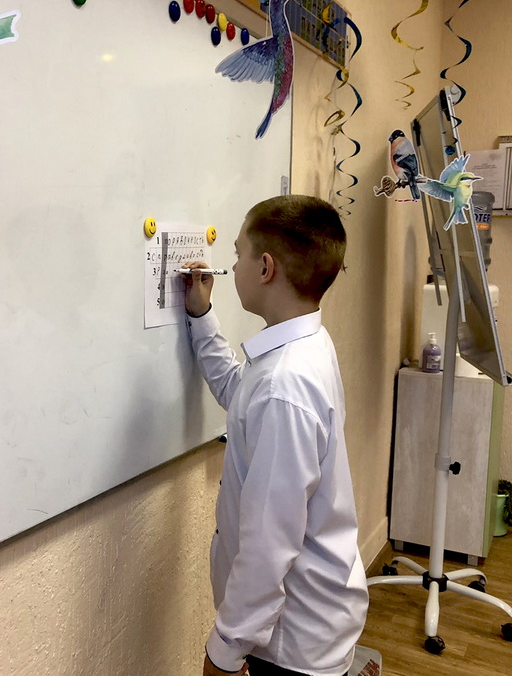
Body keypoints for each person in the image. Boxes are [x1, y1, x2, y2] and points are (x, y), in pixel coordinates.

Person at [182, 195, 368, 676]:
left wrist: (225, 651)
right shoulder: (302, 347)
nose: (231, 267)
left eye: (238, 254)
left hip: (293, 643)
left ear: (265, 268)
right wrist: (201, 317)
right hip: (308, 622)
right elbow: (239, 391)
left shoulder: (285, 385)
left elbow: (269, 543)